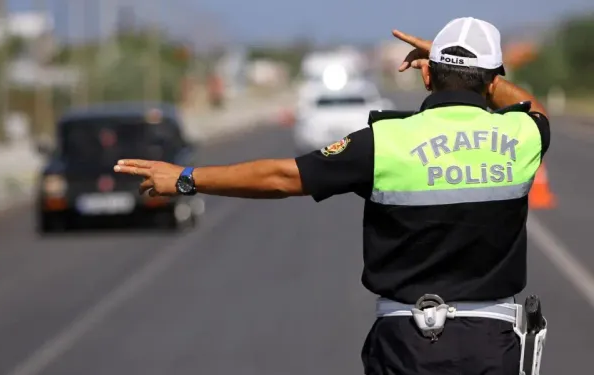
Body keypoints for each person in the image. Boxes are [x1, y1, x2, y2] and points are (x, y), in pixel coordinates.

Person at [114, 17, 550, 375]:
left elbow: (283, 176)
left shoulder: (384, 141)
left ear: (429, 75)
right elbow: (534, 108)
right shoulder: (523, 134)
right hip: (493, 346)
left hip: (407, 345)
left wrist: (187, 178)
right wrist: (475, 73)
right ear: (492, 82)